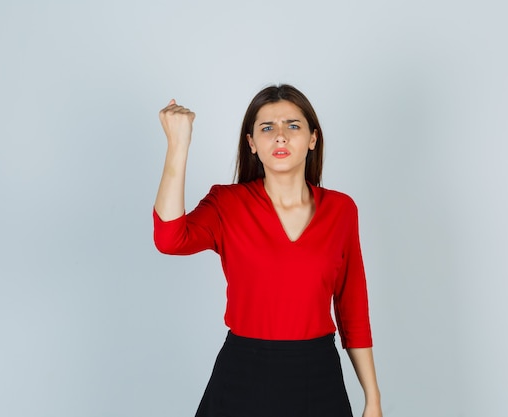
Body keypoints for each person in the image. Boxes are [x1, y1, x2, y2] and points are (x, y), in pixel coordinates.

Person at [153, 84, 382, 417]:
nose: (280, 137)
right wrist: (178, 144)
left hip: (318, 380)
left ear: (312, 138)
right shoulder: (227, 204)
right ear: (252, 143)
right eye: (267, 127)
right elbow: (169, 238)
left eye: (292, 125)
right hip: (243, 376)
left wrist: (372, 398)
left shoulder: (342, 210)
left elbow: (352, 309)